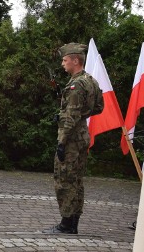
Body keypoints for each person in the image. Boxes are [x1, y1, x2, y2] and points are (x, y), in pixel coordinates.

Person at [44, 42, 103, 235]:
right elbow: (98, 107)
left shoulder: (76, 84)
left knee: (65, 179)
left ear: (75, 60)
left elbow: (70, 116)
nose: (62, 63)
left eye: (65, 60)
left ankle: (66, 224)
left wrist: (61, 141)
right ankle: (73, 222)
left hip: (71, 139)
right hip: (82, 135)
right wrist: (78, 114)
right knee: (77, 179)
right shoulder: (91, 81)